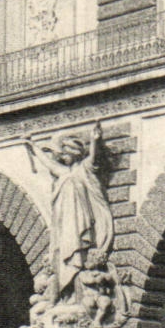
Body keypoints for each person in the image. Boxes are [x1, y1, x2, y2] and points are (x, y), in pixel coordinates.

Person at [26, 122, 114, 306]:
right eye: (61, 155)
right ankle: (66, 295)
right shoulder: (63, 172)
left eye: (65, 154)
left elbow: (94, 157)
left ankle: (74, 292)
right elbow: (49, 164)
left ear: (74, 153)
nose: (62, 157)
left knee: (76, 255)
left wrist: (95, 140)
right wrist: (33, 148)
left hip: (82, 225)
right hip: (65, 226)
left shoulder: (85, 169)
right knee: (65, 255)